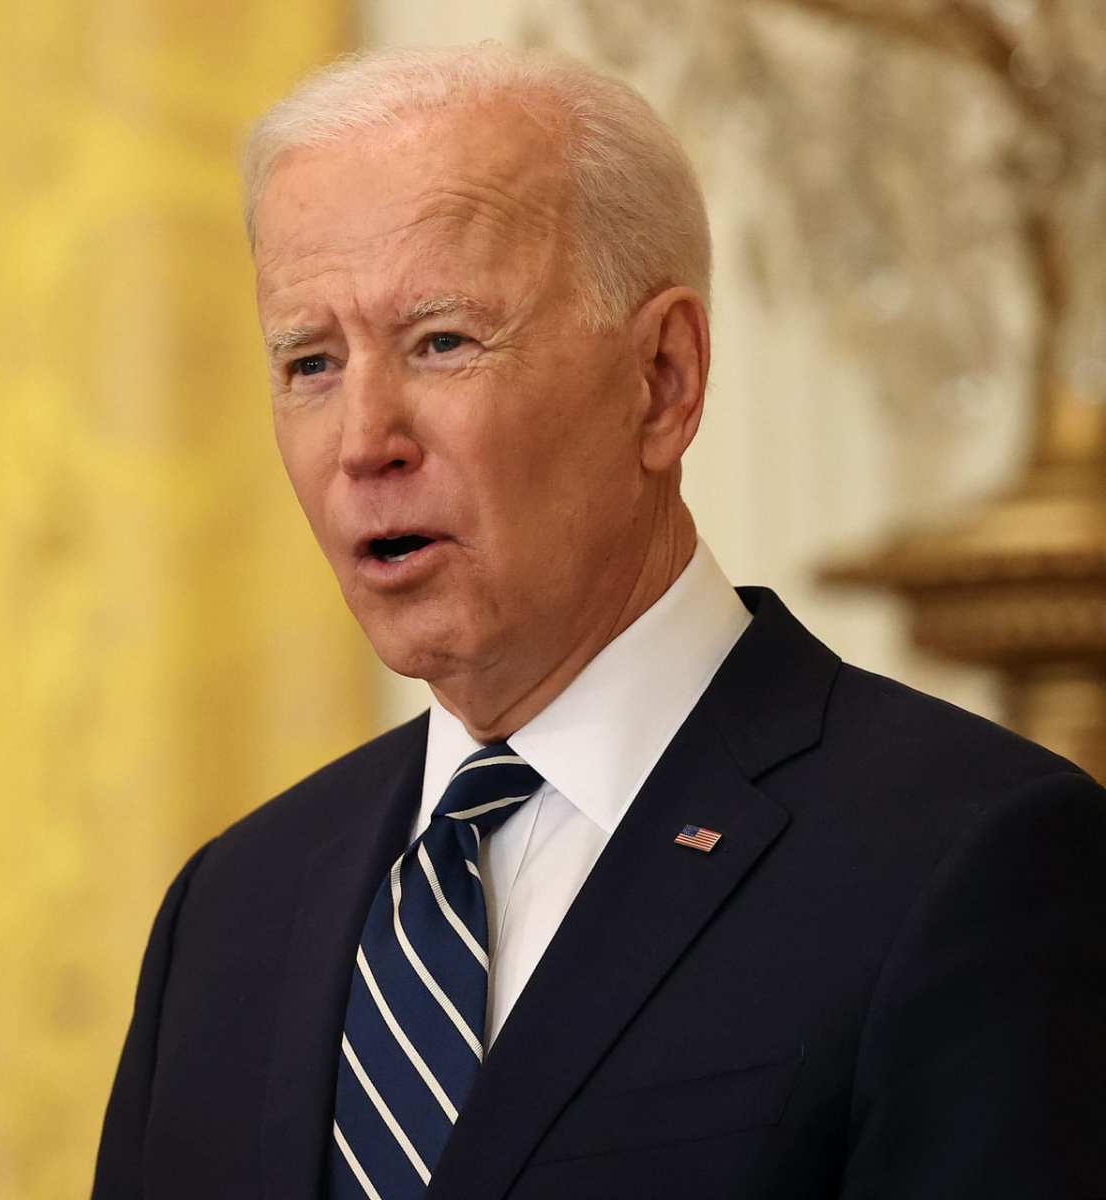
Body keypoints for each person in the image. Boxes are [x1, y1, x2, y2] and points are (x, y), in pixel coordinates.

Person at [91, 44, 1106, 1200]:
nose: (364, 440)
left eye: (443, 342)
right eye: (310, 363)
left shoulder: (971, 857)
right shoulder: (231, 913)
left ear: (663, 380)